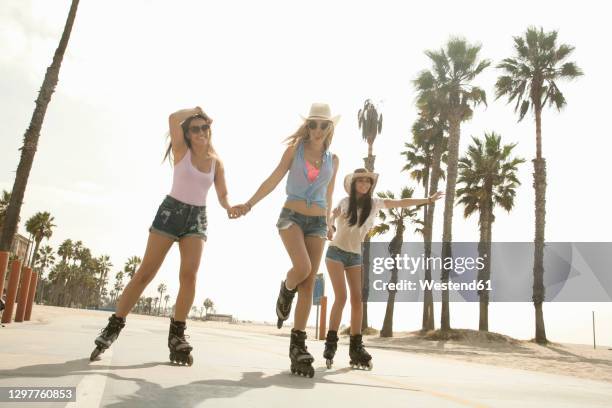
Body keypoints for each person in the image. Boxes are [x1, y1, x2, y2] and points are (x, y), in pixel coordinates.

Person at [90, 107, 238, 365]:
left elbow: (223, 195)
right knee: (146, 273)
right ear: (187, 134)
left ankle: (177, 335)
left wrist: (230, 207)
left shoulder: (217, 162)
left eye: (205, 127)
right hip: (171, 213)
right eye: (195, 128)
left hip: (197, 218)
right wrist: (196, 110)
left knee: (189, 276)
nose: (201, 132)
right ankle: (114, 326)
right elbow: (172, 118)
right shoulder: (182, 151)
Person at [232, 103, 340, 378]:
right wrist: (249, 204)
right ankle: (285, 289)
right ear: (307, 126)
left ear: (330, 128)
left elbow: (328, 195)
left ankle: (298, 344)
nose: (317, 130)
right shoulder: (295, 151)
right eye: (313, 124)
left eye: (323, 125)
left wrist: (329, 222)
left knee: (309, 282)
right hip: (291, 216)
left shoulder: (333, 160)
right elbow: (274, 179)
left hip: (317, 222)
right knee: (302, 269)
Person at [323, 168, 444, 369]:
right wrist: (330, 227)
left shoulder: (375, 203)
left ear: (371, 185)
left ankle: (356, 347)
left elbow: (401, 203)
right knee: (341, 297)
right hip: (335, 253)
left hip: (355, 256)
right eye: (360, 181)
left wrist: (428, 200)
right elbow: (332, 217)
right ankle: (331, 343)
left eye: (367, 181)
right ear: (353, 185)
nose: (364, 184)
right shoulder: (345, 203)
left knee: (357, 301)